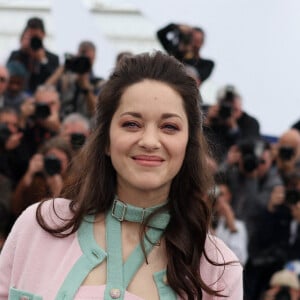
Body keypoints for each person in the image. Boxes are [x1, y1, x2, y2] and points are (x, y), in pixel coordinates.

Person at [0, 51, 243, 299]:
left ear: (188, 145)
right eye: (131, 124)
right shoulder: (39, 226)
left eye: (169, 127)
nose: (149, 141)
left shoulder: (218, 269)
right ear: (105, 139)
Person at [46, 40, 104, 119]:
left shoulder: (99, 83)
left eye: (88, 59)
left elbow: (96, 111)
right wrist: (65, 66)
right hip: (64, 123)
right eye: (82, 57)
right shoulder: (66, 78)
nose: (84, 61)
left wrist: (86, 89)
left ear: (94, 58)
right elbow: (45, 89)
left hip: (86, 126)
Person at [7, 17, 59, 94]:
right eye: (31, 36)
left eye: (36, 37)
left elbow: (55, 80)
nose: (33, 40)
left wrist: (43, 60)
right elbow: (8, 75)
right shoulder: (16, 54)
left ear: (43, 35)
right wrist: (22, 51)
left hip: (43, 95)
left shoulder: (53, 58)